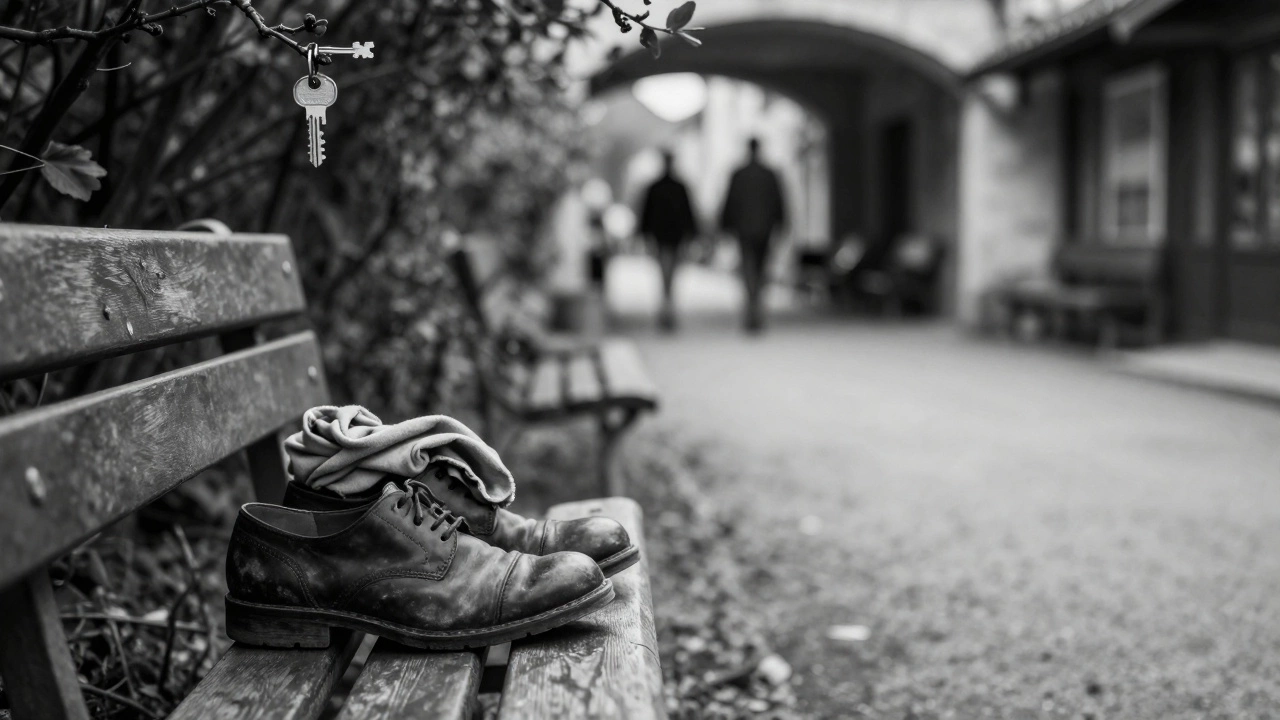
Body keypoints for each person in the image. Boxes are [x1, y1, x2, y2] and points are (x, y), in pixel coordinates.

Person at [720, 138, 787, 333]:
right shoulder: (769, 174)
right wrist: (781, 224)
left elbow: (730, 201)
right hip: (764, 229)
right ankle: (756, 306)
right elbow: (779, 202)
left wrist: (725, 226)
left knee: (748, 267)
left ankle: (751, 306)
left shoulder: (739, 174)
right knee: (760, 268)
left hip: (744, 230)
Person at [639, 150, 699, 331]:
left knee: (665, 274)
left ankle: (666, 311)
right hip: (673, 237)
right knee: (669, 274)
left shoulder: (656, 186)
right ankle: (668, 311)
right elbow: (688, 214)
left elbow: (645, 214)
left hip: (662, 237)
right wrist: (692, 234)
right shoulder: (678, 187)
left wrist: (644, 234)